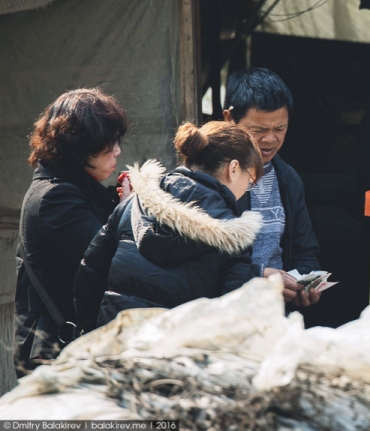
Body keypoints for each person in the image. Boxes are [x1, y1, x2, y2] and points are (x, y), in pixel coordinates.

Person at [74, 121, 267, 331]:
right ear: (233, 168)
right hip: (177, 358)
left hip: (114, 351)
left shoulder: (133, 205)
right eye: (249, 180)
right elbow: (232, 322)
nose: (246, 189)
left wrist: (96, 337)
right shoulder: (233, 236)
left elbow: (89, 278)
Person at [14, 88, 128, 372]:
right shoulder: (54, 198)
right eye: (108, 145)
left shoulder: (71, 189)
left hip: (68, 348)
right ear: (79, 147)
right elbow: (109, 258)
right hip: (56, 352)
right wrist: (127, 208)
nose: (117, 151)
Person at [222, 68, 322, 309]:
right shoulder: (209, 178)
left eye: (279, 129)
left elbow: (305, 250)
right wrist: (256, 274)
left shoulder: (288, 179)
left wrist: (303, 283)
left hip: (274, 314)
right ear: (229, 119)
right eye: (258, 130)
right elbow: (199, 262)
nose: (270, 140)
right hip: (222, 313)